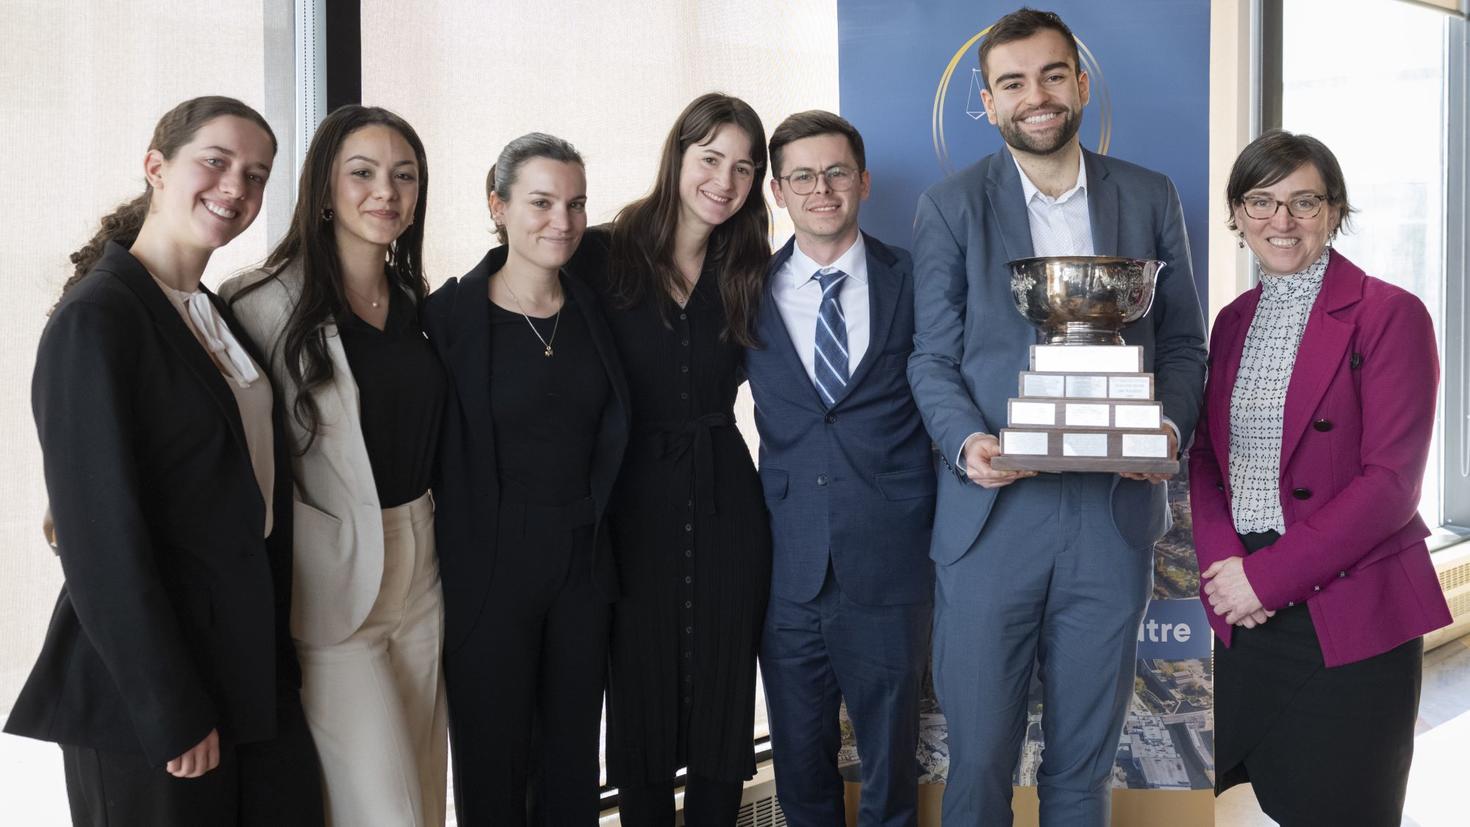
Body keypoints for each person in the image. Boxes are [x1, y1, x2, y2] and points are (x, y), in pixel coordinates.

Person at [906, 8, 1208, 825]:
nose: (1033, 96)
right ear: (988, 100)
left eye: (1050, 75)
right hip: (993, 516)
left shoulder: (1148, 195)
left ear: (1079, 82)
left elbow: (1183, 343)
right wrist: (969, 441)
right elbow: (930, 358)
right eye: (1012, 82)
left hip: (1111, 515)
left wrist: (1168, 433)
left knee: (1084, 767)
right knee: (976, 764)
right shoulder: (952, 206)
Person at [4, 96, 323, 825]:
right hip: (150, 697)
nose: (236, 187)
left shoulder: (209, 311)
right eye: (215, 162)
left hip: (245, 672)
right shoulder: (98, 317)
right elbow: (98, 540)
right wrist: (170, 706)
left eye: (256, 174)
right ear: (156, 167)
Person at [1191, 130, 1452, 826]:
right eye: (1262, 201)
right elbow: (1208, 457)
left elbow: (1392, 484)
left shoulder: (1389, 313)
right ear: (1238, 213)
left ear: (1334, 211)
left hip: (1346, 616)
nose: (1282, 221)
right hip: (1242, 617)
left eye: (1303, 202)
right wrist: (1225, 566)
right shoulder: (1232, 321)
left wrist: (1266, 578)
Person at [221, 105, 447, 826]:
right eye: (364, 173)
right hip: (333, 580)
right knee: (384, 810)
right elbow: (213, 444)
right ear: (323, 190)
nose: (387, 191)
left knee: (426, 789)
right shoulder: (257, 302)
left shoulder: (416, 301)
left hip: (424, 567)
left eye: (404, 176)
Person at [568, 92, 773, 826]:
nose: (725, 180)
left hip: (726, 497)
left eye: (745, 168)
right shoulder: (601, 252)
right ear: (678, 155)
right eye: (711, 158)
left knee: (723, 699)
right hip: (630, 502)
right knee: (640, 701)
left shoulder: (751, 266)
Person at [423, 133, 629, 826]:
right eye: (541, 202)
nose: (562, 221)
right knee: (492, 763)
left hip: (583, 560)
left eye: (575, 204)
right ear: (498, 205)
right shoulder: (449, 319)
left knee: (573, 765)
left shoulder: (599, 309)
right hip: (488, 561)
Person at [746, 110, 933, 827]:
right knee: (800, 763)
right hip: (787, 567)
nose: (820, 188)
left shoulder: (913, 281)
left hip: (891, 562)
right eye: (801, 176)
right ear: (777, 192)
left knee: (891, 767)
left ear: (862, 181)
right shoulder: (745, 291)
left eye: (834, 172)